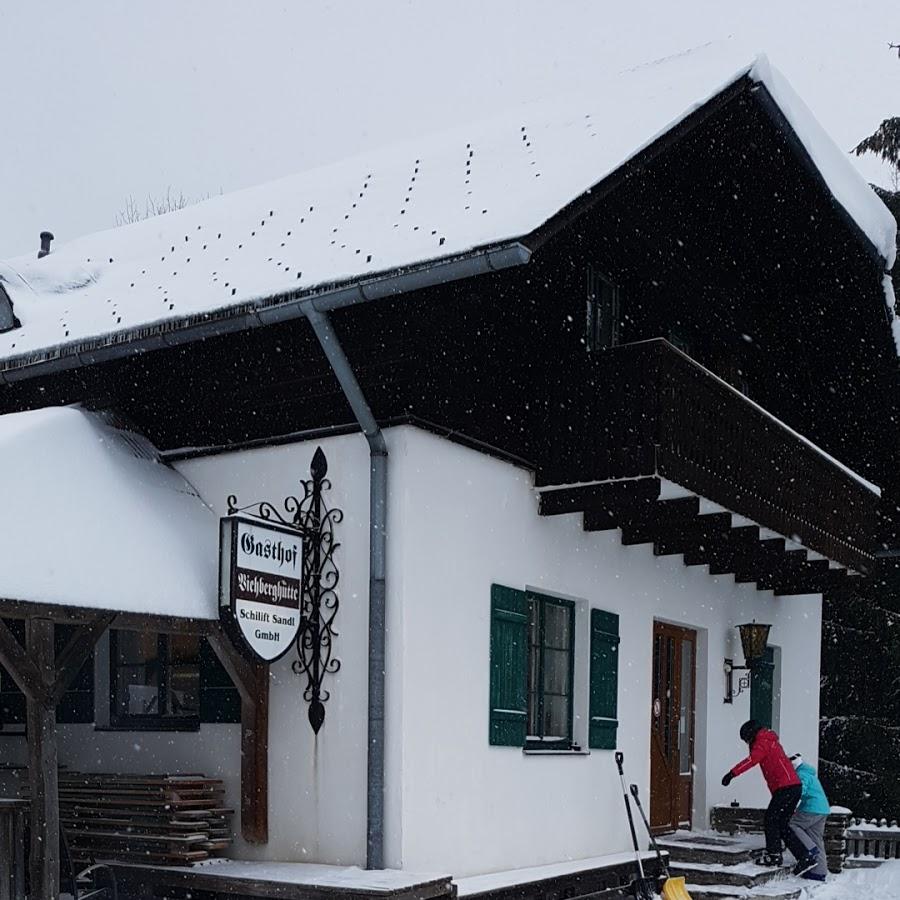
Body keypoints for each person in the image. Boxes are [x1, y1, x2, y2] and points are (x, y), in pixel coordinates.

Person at [721, 720, 817, 874]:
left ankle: (774, 856)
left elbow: (751, 761)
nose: (747, 743)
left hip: (786, 788)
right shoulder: (770, 741)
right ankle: (804, 857)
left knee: (771, 820)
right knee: (782, 824)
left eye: (746, 739)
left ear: (751, 735)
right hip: (793, 787)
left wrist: (731, 774)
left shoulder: (762, 743)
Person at [788, 753, 830, 882]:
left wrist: (790, 804)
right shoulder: (809, 773)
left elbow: (801, 791)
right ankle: (819, 872)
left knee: (792, 824)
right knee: (817, 839)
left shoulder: (801, 774)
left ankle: (809, 850)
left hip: (811, 808)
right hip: (823, 809)